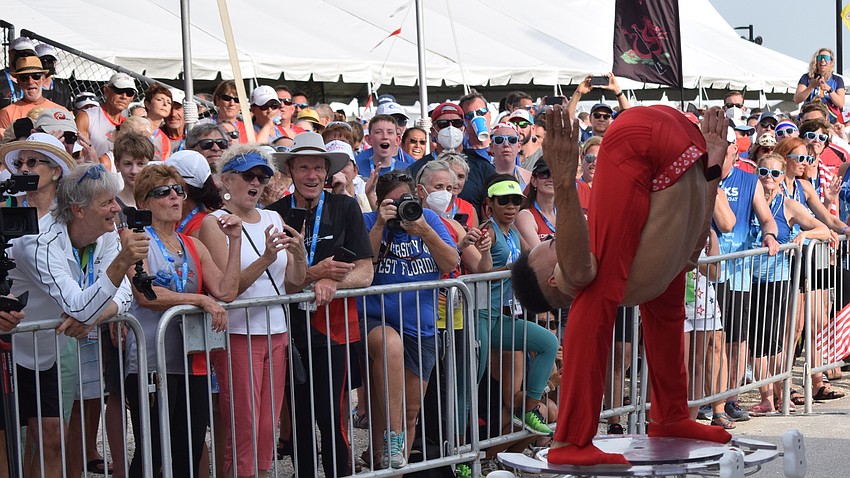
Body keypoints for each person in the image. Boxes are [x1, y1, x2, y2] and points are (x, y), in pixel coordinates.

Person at [510, 106, 775, 466]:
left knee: (666, 306)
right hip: (662, 142)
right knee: (612, 298)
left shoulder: (633, 268)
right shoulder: (579, 275)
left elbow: (693, 248)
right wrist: (562, 175)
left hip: (667, 145)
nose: (564, 239)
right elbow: (585, 270)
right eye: (554, 244)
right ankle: (573, 438)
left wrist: (712, 169)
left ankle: (668, 415)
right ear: (555, 279)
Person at [5, 162, 147, 478]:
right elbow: (80, 307)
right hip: (9, 350)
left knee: (53, 440)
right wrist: (124, 260)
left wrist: (99, 314)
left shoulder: (106, 231)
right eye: (107, 203)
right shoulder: (39, 242)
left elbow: (123, 292)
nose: (116, 208)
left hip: (46, 350)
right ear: (78, 210)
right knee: (8, 449)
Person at [266, 132, 374, 478]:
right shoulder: (273, 214)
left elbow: (365, 271)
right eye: (303, 167)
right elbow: (272, 279)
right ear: (291, 171)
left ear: (327, 172)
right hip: (288, 330)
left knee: (332, 417)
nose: (311, 175)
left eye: (317, 168)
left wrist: (334, 280)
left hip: (334, 330)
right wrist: (315, 274)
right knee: (296, 418)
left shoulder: (345, 207)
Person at [124, 164, 242, 478]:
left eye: (179, 190)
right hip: (152, 360)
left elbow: (226, 291)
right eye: (164, 192)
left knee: (188, 450)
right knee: (152, 451)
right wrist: (198, 299)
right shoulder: (136, 239)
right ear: (145, 203)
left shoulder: (194, 244)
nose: (175, 197)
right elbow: (145, 294)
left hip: (192, 361)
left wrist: (235, 242)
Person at [206, 145, 307, 477]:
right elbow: (228, 289)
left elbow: (292, 284)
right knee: (243, 423)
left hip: (276, 330)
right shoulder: (214, 222)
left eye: (262, 176)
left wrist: (300, 254)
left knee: (268, 423)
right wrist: (265, 258)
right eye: (248, 176)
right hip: (238, 334)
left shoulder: (273, 217)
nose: (257, 183)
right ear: (226, 180)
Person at [362, 171, 459, 469]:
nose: (399, 208)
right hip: (377, 320)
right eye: (390, 203)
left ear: (415, 197)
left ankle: (392, 468)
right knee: (389, 353)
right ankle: (387, 445)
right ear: (378, 203)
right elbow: (364, 264)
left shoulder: (428, 219)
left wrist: (424, 232)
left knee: (410, 412)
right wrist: (380, 222)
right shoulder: (369, 221)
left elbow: (451, 263)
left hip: (422, 325)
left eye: (404, 201)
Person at [748, 153, 830, 414]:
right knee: (755, 343)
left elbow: (824, 229)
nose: (768, 178)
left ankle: (777, 395)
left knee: (773, 342)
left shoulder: (789, 204)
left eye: (774, 173)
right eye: (763, 172)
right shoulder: (750, 201)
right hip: (746, 278)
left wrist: (805, 234)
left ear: (783, 177)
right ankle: (768, 398)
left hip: (777, 279)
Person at [2, 132, 75, 217]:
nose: (23, 169)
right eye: (18, 163)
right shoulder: (6, 207)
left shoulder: (71, 213)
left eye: (32, 162)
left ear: (56, 172)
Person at [0, 56, 65, 135]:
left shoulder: (61, 111)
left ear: (43, 78)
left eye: (36, 76)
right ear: (18, 82)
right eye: (24, 78)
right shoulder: (7, 113)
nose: (30, 81)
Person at [77, 73, 135, 157]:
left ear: (132, 97)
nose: (124, 96)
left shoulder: (130, 125)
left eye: (129, 93)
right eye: (119, 90)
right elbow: (79, 154)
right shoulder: (86, 117)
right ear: (106, 91)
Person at [355, 114, 415, 179]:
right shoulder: (357, 169)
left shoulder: (407, 170)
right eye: (378, 132)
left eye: (389, 132)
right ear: (369, 139)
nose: (385, 137)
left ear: (397, 140)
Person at [794, 48, 845, 123]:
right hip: (809, 119)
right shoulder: (806, 78)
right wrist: (811, 86)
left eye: (826, 58)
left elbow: (840, 103)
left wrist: (829, 89)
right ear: (816, 61)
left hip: (830, 121)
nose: (823, 60)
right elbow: (797, 99)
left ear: (831, 62)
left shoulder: (837, 80)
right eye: (820, 58)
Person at [516, 160, 556, 248]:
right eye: (545, 174)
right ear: (534, 181)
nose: (551, 179)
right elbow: (540, 258)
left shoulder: (564, 215)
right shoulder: (525, 217)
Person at [36, 43, 73, 111]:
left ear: (54, 63)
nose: (46, 64)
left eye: (50, 60)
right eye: (42, 60)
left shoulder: (63, 89)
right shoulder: (32, 88)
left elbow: (69, 111)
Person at [143, 84, 174, 161]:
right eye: (160, 100)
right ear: (148, 104)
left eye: (169, 102)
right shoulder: (134, 127)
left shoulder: (165, 140)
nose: (165, 104)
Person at [575, 136, 601, 214]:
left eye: (600, 159)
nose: (595, 163)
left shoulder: (611, 191)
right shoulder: (573, 188)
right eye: (590, 158)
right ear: (582, 158)